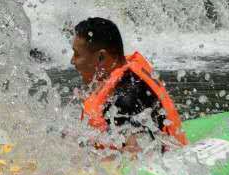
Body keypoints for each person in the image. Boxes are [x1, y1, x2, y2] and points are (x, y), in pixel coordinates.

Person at [69, 17, 187, 152]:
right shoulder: (124, 72)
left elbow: (137, 156)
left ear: (101, 57)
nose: (73, 61)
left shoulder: (125, 97)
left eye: (77, 54)